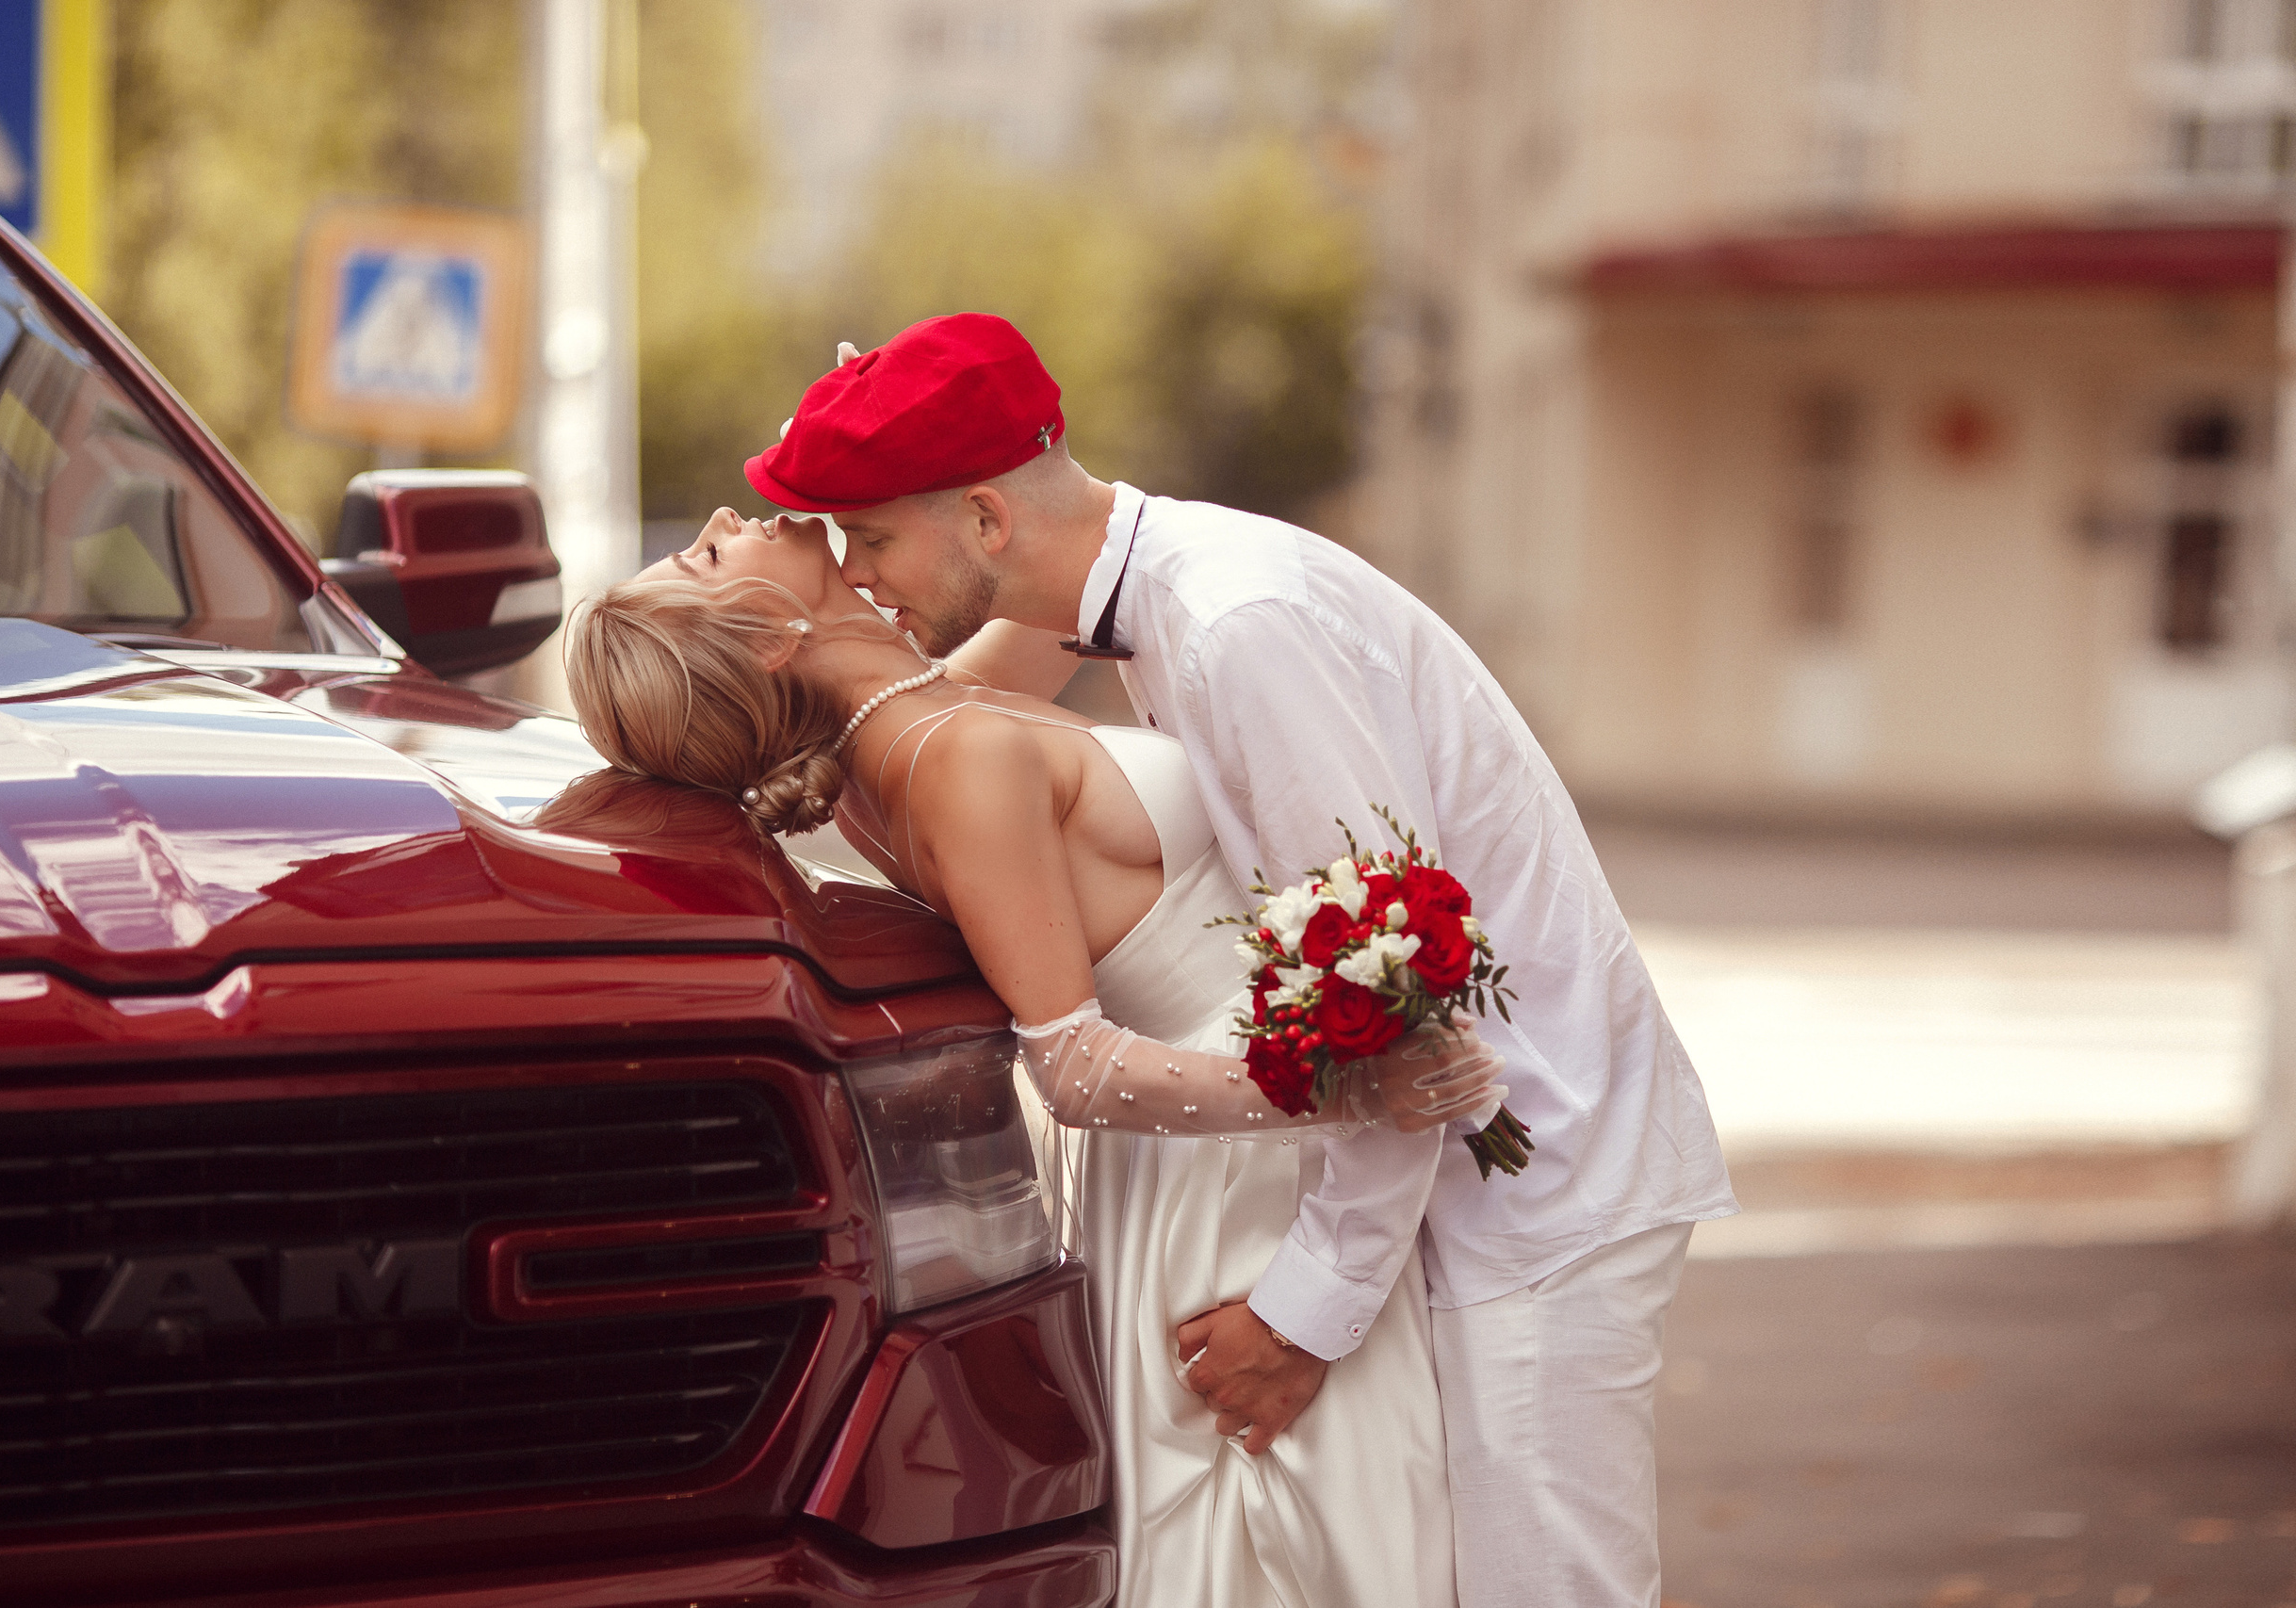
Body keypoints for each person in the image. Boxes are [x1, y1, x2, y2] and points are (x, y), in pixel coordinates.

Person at [743, 313, 1740, 1608]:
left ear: (985, 518)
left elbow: (1380, 988)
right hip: (1447, 1174)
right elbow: (929, 706)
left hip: (1531, 1171)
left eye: (873, 540)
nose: (863, 573)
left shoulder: (1235, 623)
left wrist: (1303, 1315)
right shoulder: (1149, 592)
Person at [563, 506, 1506, 1607]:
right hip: (1237, 1177)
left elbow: (1062, 564)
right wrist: (1343, 1088)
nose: (725, 516)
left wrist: (884, 467)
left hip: (1246, 1141)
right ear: (771, 637)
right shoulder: (952, 759)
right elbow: (1074, 1067)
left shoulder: (914, 708)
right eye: (709, 554)